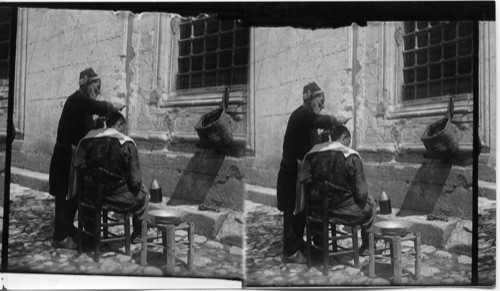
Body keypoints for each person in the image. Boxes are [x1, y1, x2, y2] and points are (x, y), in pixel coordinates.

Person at [49, 68, 125, 248]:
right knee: (63, 196)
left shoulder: (84, 105)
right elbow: (96, 107)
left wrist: (98, 124)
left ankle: (66, 228)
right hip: (64, 158)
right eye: (96, 87)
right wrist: (113, 106)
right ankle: (59, 237)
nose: (98, 92)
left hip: (73, 158)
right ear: (86, 83)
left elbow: (86, 128)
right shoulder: (76, 100)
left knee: (73, 196)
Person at [276, 82, 350, 263]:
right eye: (321, 101)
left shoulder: (308, 121)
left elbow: (314, 143)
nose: (323, 105)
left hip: (298, 175)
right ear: (309, 98)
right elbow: (318, 121)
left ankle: (297, 245)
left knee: (299, 214)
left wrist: (324, 137)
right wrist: (336, 120)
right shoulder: (300, 115)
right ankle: (290, 253)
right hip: (291, 174)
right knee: (292, 213)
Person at [298, 125, 377, 256]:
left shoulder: (314, 153)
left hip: (317, 211)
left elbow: (302, 178)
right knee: (372, 205)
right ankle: (368, 246)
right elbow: (362, 193)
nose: (349, 145)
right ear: (344, 137)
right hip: (343, 211)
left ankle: (319, 244)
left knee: (321, 204)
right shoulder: (351, 157)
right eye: (348, 141)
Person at [73, 111, 148, 241]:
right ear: (120, 124)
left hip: (90, 197)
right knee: (144, 194)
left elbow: (77, 165)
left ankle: (91, 232)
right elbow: (136, 181)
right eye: (123, 128)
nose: (123, 132)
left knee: (89, 190)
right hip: (118, 198)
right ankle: (139, 234)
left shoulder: (88, 139)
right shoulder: (127, 144)